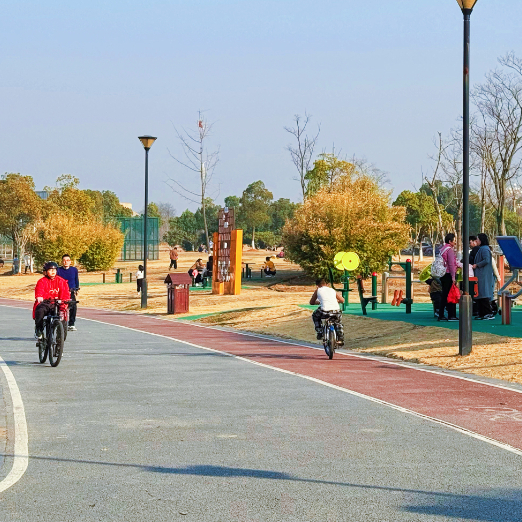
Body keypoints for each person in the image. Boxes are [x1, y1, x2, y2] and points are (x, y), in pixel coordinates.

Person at [33, 261, 70, 339]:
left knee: (62, 314)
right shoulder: (42, 281)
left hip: (58, 303)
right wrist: (39, 296)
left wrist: (65, 300)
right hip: (45, 303)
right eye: (50, 270)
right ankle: (39, 329)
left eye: (54, 270)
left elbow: (65, 293)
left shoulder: (61, 281)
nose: (52, 271)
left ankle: (60, 337)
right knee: (40, 311)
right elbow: (39, 290)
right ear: (46, 272)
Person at [310, 278, 345, 345]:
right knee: (338, 322)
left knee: (315, 315)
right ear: (327, 284)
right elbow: (342, 300)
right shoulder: (332, 290)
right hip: (336, 311)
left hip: (325, 311)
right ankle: (340, 338)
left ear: (317, 285)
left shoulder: (318, 290)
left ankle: (319, 331)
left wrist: (319, 302)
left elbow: (311, 302)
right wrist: (334, 301)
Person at [472, 233, 495, 320]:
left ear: (481, 240)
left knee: (483, 293)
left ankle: (488, 313)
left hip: (483, 275)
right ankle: (482, 313)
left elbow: (486, 260)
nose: (476, 241)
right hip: (481, 274)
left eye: (477, 239)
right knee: (480, 293)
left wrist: (477, 265)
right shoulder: (482, 248)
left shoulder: (485, 249)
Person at [438, 233, 459, 322]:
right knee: (450, 294)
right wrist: (453, 277)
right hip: (448, 274)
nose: (455, 242)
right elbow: (451, 264)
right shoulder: (449, 250)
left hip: (443, 274)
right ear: (450, 241)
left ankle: (441, 314)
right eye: (454, 240)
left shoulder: (443, 249)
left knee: (444, 294)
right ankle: (451, 315)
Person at [57, 254, 80, 331]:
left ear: (70, 261)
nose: (66, 262)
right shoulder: (58, 270)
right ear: (62, 262)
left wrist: (76, 289)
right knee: (59, 306)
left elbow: (76, 280)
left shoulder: (74, 270)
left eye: (67, 260)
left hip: (71, 291)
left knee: (73, 307)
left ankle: (71, 324)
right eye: (64, 260)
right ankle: (58, 322)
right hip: (61, 292)